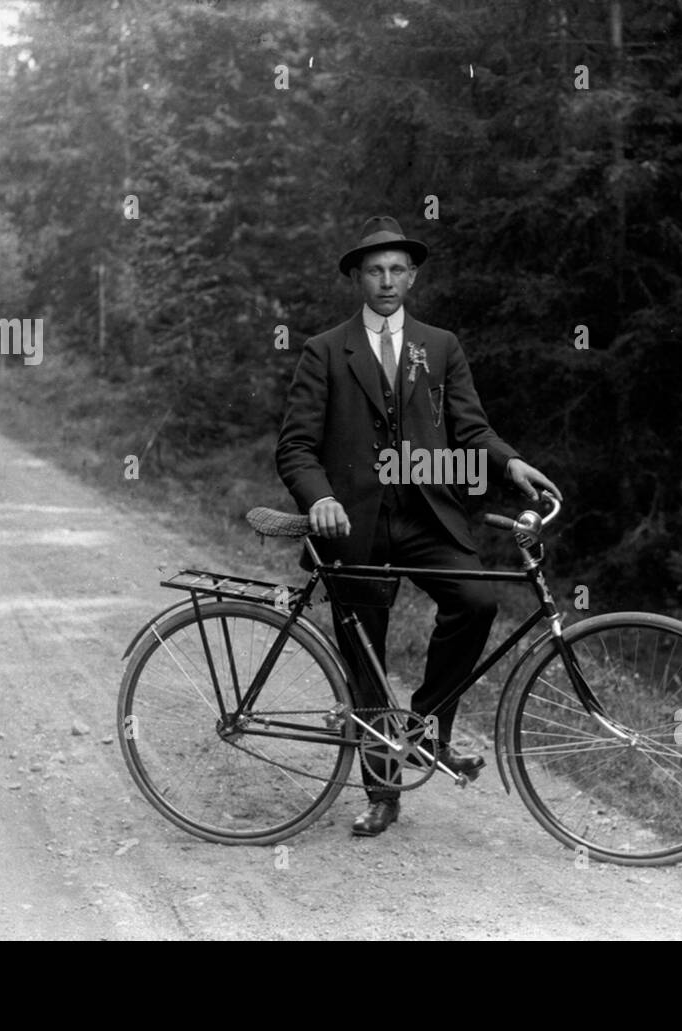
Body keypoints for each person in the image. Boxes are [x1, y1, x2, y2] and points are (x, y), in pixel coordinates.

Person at [276, 215, 559, 837]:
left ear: (412, 275)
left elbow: (470, 427)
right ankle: (383, 792)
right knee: (366, 658)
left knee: (477, 601)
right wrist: (321, 498)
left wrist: (510, 463)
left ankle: (425, 728)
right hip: (354, 525)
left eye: (397, 270)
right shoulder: (325, 350)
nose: (386, 281)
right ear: (357, 277)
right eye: (374, 270)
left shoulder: (441, 345)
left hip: (428, 518)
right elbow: (295, 448)